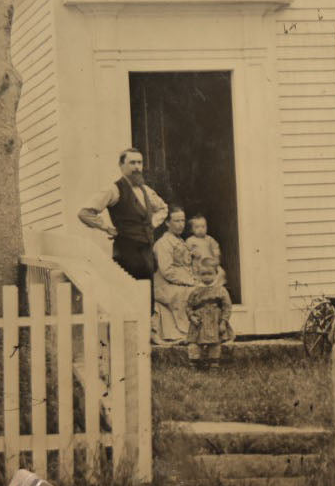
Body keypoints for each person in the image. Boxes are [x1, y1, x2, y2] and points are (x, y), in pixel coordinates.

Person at [76, 147, 168, 281]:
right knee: (130, 293)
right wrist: (107, 228)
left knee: (147, 293)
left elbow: (163, 208)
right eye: (132, 163)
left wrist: (152, 223)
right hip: (126, 253)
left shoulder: (146, 190)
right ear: (121, 165)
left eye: (139, 163)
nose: (137, 167)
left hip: (147, 252)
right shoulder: (113, 190)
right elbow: (84, 213)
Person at [182, 213, 233, 365]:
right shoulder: (190, 241)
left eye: (203, 226)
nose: (200, 229)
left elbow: (217, 252)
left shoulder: (210, 240)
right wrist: (191, 254)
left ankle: (215, 290)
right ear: (192, 229)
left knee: (220, 274)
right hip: (198, 268)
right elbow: (185, 257)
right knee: (197, 281)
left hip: (211, 266)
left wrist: (215, 259)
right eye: (197, 227)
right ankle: (196, 360)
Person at [151, 207, 200, 345]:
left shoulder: (181, 241)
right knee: (192, 293)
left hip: (180, 281)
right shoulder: (163, 243)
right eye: (176, 221)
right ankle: (186, 332)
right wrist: (189, 281)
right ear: (167, 223)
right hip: (166, 284)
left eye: (183, 220)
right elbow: (167, 271)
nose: (181, 224)